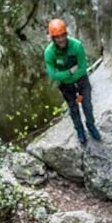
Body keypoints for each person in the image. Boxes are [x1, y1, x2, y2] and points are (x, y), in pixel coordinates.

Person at [43, 18, 100, 146]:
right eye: (57, 37)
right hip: (66, 86)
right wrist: (70, 72)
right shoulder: (49, 53)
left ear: (66, 34)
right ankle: (79, 131)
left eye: (63, 35)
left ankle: (91, 126)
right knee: (73, 109)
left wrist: (65, 76)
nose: (61, 39)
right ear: (53, 38)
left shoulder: (76, 46)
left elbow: (82, 67)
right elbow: (53, 75)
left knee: (87, 105)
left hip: (81, 82)